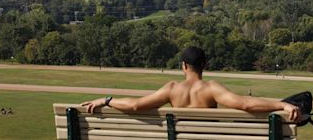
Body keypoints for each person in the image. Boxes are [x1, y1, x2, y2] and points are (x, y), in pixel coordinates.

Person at [82, 46, 301, 122]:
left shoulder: (171, 89)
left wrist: (107, 100)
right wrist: (282, 105)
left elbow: (136, 106)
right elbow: (244, 104)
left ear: (183, 66)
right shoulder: (211, 88)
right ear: (204, 65)